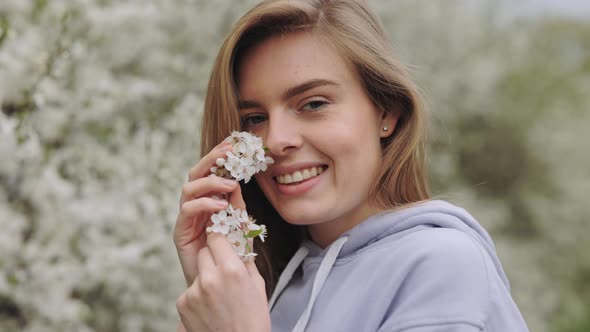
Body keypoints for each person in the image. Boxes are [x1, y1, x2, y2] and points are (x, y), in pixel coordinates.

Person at [172, 0, 530, 331]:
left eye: (313, 104)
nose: (274, 141)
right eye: (253, 118)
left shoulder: (441, 265)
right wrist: (213, 283)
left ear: (386, 112)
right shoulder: (272, 288)